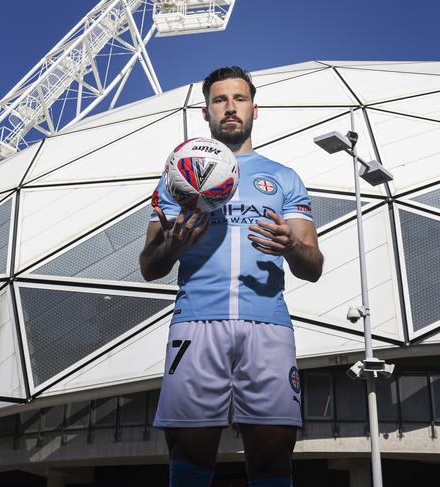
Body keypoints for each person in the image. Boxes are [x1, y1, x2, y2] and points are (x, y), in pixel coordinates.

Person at [139, 66, 323, 487]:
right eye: (219, 100)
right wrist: (173, 246)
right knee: (188, 452)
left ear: (255, 109)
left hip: (268, 326)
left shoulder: (283, 178)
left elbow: (312, 266)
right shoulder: (179, 177)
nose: (230, 108)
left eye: (239, 99)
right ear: (206, 113)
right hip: (196, 323)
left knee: (274, 454)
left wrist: (291, 246)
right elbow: (150, 266)